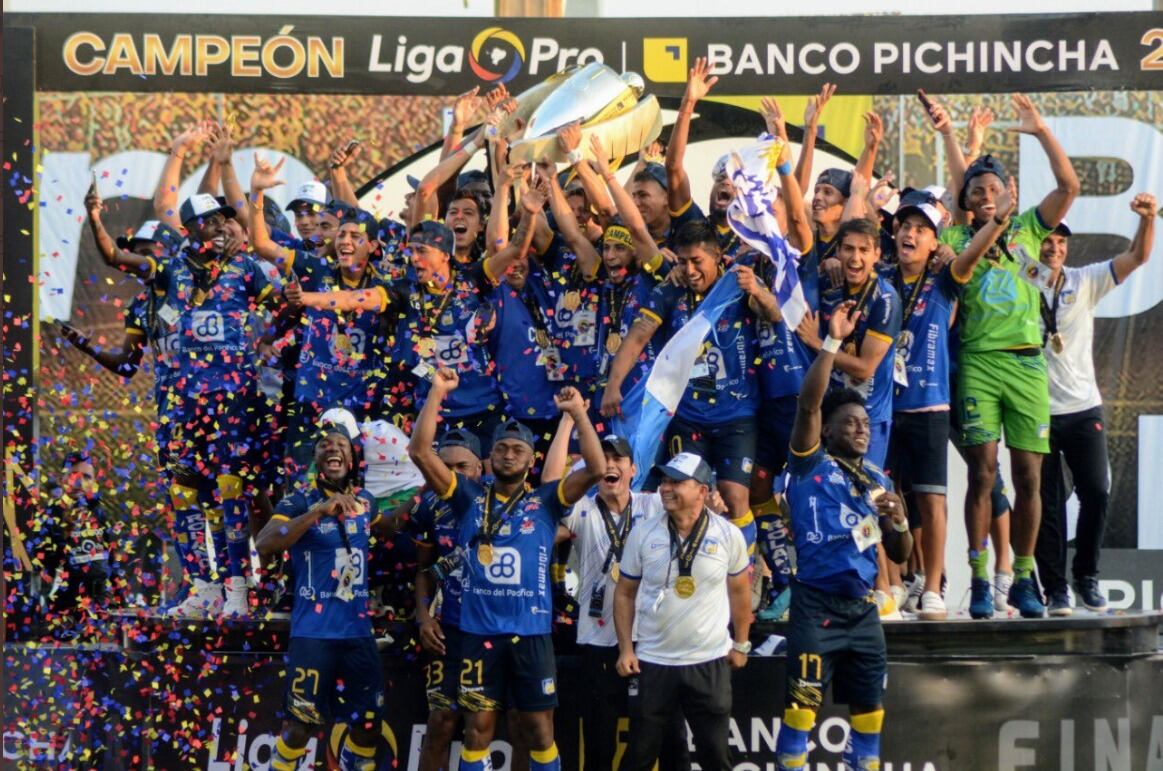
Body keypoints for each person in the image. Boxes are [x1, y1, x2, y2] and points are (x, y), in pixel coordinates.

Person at [408, 369, 604, 771]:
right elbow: (420, 452)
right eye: (501, 449)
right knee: (477, 731)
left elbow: (597, 469)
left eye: (517, 450)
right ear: (490, 458)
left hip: (531, 633)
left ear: (531, 460)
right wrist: (438, 392)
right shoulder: (466, 496)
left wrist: (578, 415)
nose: (509, 455)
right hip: (479, 634)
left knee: (539, 731)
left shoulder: (547, 500)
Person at [939, 94, 1080, 619]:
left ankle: (1023, 578)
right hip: (979, 362)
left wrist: (1041, 131)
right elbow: (958, 267)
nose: (986, 196)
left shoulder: (1029, 229)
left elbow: (1069, 187)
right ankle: (980, 578)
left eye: (994, 189)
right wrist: (989, 224)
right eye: (976, 191)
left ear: (1009, 192)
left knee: (1030, 477)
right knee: (983, 474)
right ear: (967, 200)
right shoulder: (954, 236)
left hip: (1027, 364)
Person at [774, 300, 912, 771]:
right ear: (828, 430)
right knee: (799, 718)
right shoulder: (809, 462)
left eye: (866, 424)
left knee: (869, 725)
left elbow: (899, 553)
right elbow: (809, 402)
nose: (860, 429)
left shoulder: (877, 479)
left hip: (863, 612)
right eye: (850, 422)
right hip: (816, 608)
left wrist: (900, 521)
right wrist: (832, 341)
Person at [1034, 193, 1156, 615]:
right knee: (1048, 505)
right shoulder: (1018, 281)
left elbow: (1138, 257)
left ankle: (1086, 576)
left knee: (1097, 492)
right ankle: (1055, 589)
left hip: (1083, 407)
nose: (1054, 248)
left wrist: (1148, 219)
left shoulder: (1084, 281)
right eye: (1047, 240)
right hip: (1036, 411)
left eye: (1061, 242)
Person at [256, 416, 396, 771]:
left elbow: (392, 526)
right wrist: (317, 512)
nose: (332, 448)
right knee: (299, 729)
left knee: (368, 726)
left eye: (341, 444)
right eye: (324, 444)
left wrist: (424, 494)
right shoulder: (299, 500)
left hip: (358, 634)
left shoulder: (366, 501)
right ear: (315, 458)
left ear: (352, 458)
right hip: (313, 635)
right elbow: (265, 543)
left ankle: (354, 762)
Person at [612, 452, 751, 771]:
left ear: (702, 490)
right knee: (640, 756)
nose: (665, 488)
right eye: (664, 481)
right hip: (653, 662)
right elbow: (624, 593)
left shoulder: (727, 534)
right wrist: (626, 649)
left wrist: (741, 643)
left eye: (676, 482)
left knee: (715, 756)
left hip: (709, 661)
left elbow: (740, 591)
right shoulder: (643, 533)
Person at [558, 434, 666, 771]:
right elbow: (548, 502)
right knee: (599, 740)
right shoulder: (582, 509)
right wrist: (567, 422)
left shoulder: (654, 505)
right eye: (602, 459)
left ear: (633, 469)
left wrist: (715, 505)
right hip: (597, 638)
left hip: (649, 638)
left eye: (617, 459)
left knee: (651, 736)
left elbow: (694, 509)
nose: (609, 465)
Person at [881, 196, 963, 620]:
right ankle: (892, 584)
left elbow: (973, 254)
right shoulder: (879, 278)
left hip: (929, 405)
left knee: (931, 500)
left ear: (935, 242)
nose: (909, 234)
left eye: (921, 229)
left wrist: (999, 222)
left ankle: (933, 587)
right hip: (882, 406)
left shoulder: (945, 278)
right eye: (904, 227)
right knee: (883, 496)